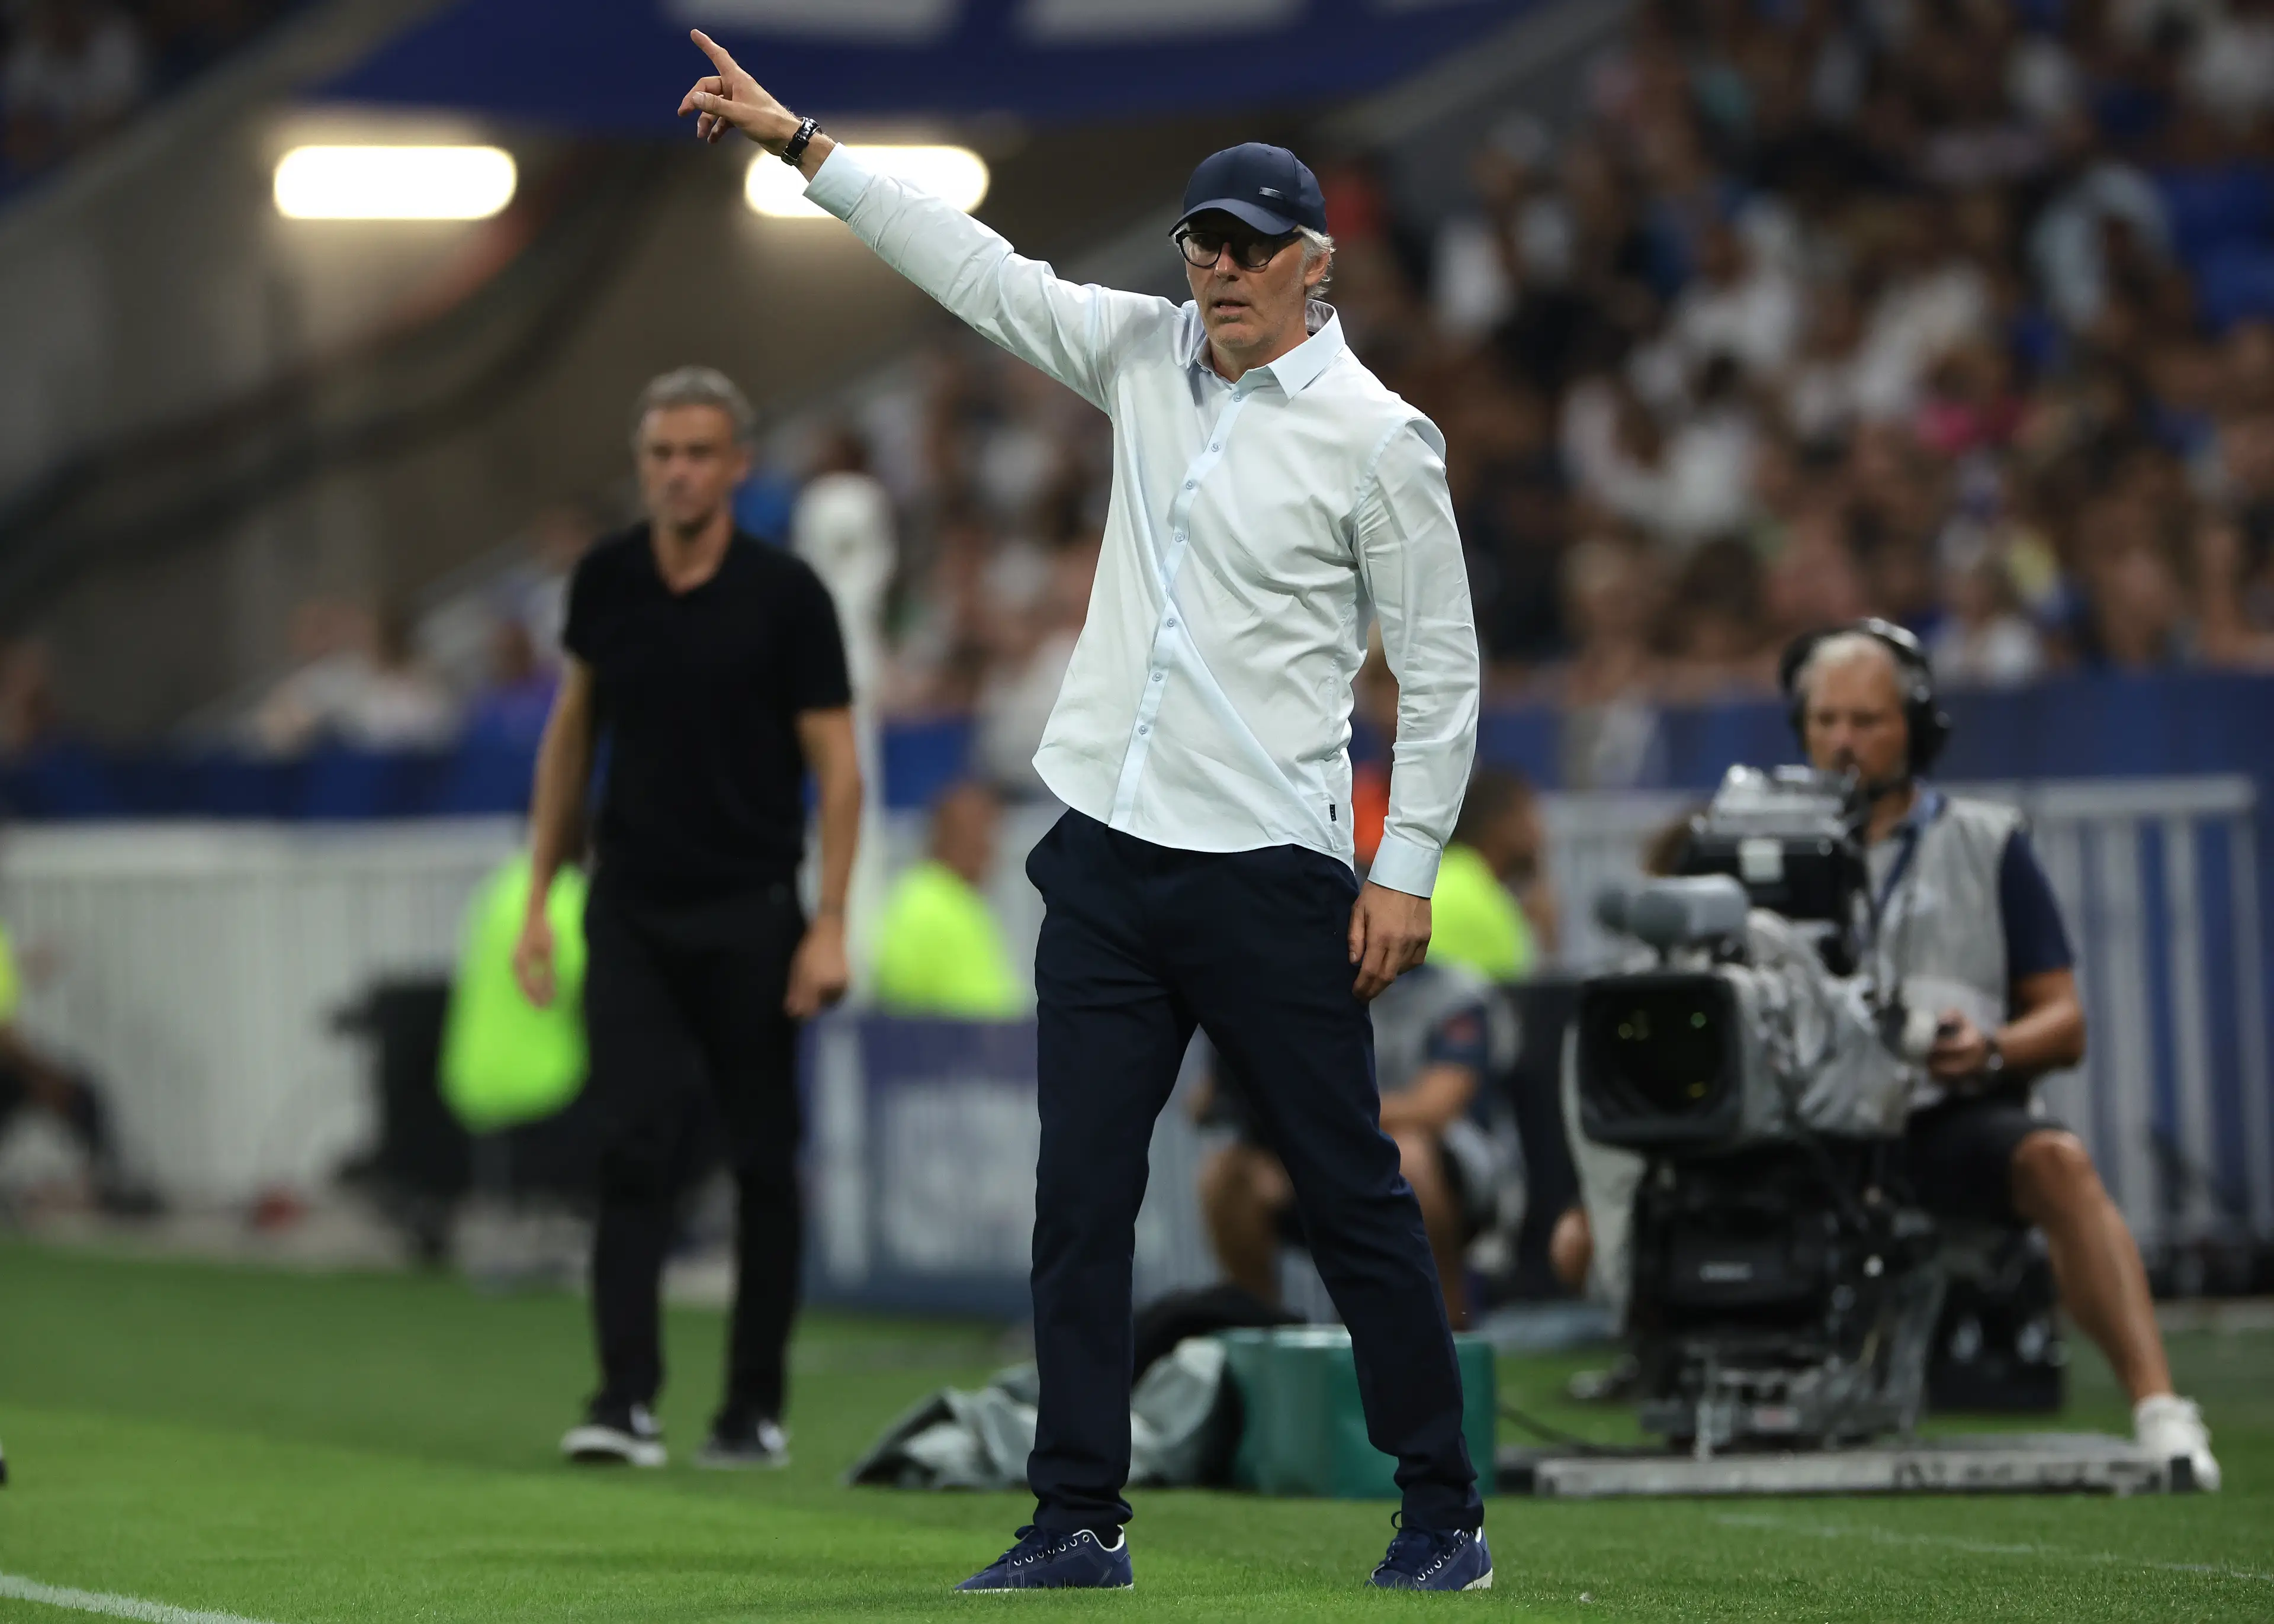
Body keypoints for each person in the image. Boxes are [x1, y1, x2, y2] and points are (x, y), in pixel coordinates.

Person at [680, 36, 1489, 1591]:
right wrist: (801, 143)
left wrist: (1408, 866)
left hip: (1271, 864)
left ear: (1316, 263)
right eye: (1205, 242)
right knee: (1081, 1195)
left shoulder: (1380, 438)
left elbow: (1443, 671)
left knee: (1347, 1183)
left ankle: (1443, 1500)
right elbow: (974, 267)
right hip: (1110, 855)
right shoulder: (1139, 353)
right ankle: (1077, 1513)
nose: (1222, 268)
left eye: (1253, 247)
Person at [512, 366, 862, 1472]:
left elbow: (839, 767)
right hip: (633, 906)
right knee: (633, 1142)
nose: (679, 471)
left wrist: (831, 921)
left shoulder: (787, 595)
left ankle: (752, 1407)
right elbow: (574, 731)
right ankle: (623, 1398)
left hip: (755, 909)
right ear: (641, 463)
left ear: (738, 466)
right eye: (662, 453)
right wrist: (538, 896)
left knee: (763, 1160)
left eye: (700, 452)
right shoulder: (606, 582)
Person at [1784, 621, 2218, 1487]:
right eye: (1826, 718)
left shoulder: (1987, 841)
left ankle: (2161, 1407)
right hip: (1806, 1121)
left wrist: (1988, 1050)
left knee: (2055, 1159)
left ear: (1919, 727)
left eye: (1866, 719)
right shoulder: (1766, 839)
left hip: (1949, 1111)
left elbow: (2065, 1020)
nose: (1842, 740)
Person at [1200, 960, 1502, 1329]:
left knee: (1406, 1156)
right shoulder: (1296, 986)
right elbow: (1205, 1102)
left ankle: (1447, 1325)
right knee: (1225, 1176)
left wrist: (1324, 1114)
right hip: (1318, 1149)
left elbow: (1437, 1106)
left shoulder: (1455, 993)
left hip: (1449, 1164)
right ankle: (1261, 1331)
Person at [871, 781, 1023, 1018]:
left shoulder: (961, 900)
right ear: (946, 836)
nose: (991, 849)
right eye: (981, 835)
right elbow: (902, 1001)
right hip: (954, 1048)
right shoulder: (923, 903)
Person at [1427, 767, 1553, 981]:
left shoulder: (1437, 875)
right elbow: (1523, 1004)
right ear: (1498, 825)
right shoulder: (1489, 905)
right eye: (1528, 815)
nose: (1540, 832)